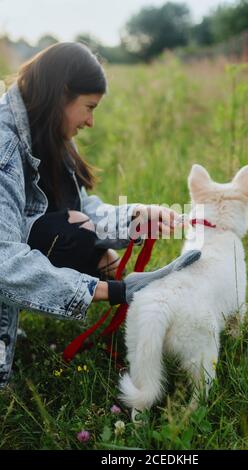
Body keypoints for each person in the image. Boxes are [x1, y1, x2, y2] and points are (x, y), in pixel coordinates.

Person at [0, 42, 201, 389]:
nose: (91, 122)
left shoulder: (46, 124)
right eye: (89, 108)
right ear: (62, 94)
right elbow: (3, 258)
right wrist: (113, 290)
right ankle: (149, 293)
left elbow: (82, 208)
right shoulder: (4, 144)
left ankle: (162, 295)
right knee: (70, 230)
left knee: (75, 226)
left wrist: (136, 215)